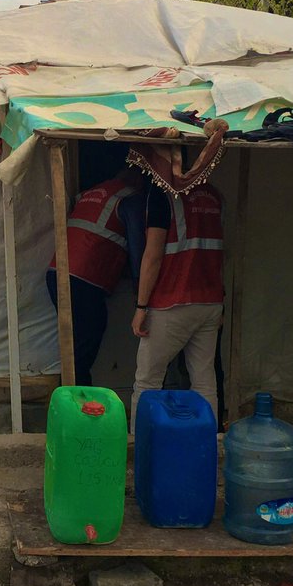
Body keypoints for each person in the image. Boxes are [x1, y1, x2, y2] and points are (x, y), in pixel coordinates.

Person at [128, 125, 227, 425]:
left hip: (172, 301)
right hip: (210, 302)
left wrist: (141, 306)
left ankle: (141, 449)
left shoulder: (162, 196)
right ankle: (208, 446)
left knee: (147, 381)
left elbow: (153, 255)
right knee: (204, 380)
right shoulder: (213, 194)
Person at [46, 168, 142, 385]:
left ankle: (72, 392)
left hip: (58, 272)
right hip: (83, 277)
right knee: (86, 339)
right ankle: (76, 398)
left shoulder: (92, 192)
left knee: (77, 341)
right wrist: (141, 287)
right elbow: (138, 247)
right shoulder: (129, 198)